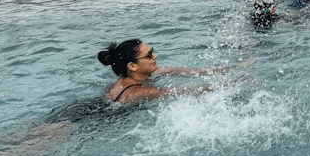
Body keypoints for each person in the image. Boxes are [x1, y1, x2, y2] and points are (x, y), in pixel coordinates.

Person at [98, 39, 251, 103]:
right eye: (149, 55)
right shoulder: (139, 91)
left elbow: (191, 71)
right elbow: (183, 91)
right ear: (132, 66)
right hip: (94, 122)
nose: (155, 56)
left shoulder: (146, 75)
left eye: (152, 51)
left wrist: (235, 68)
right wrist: (234, 84)